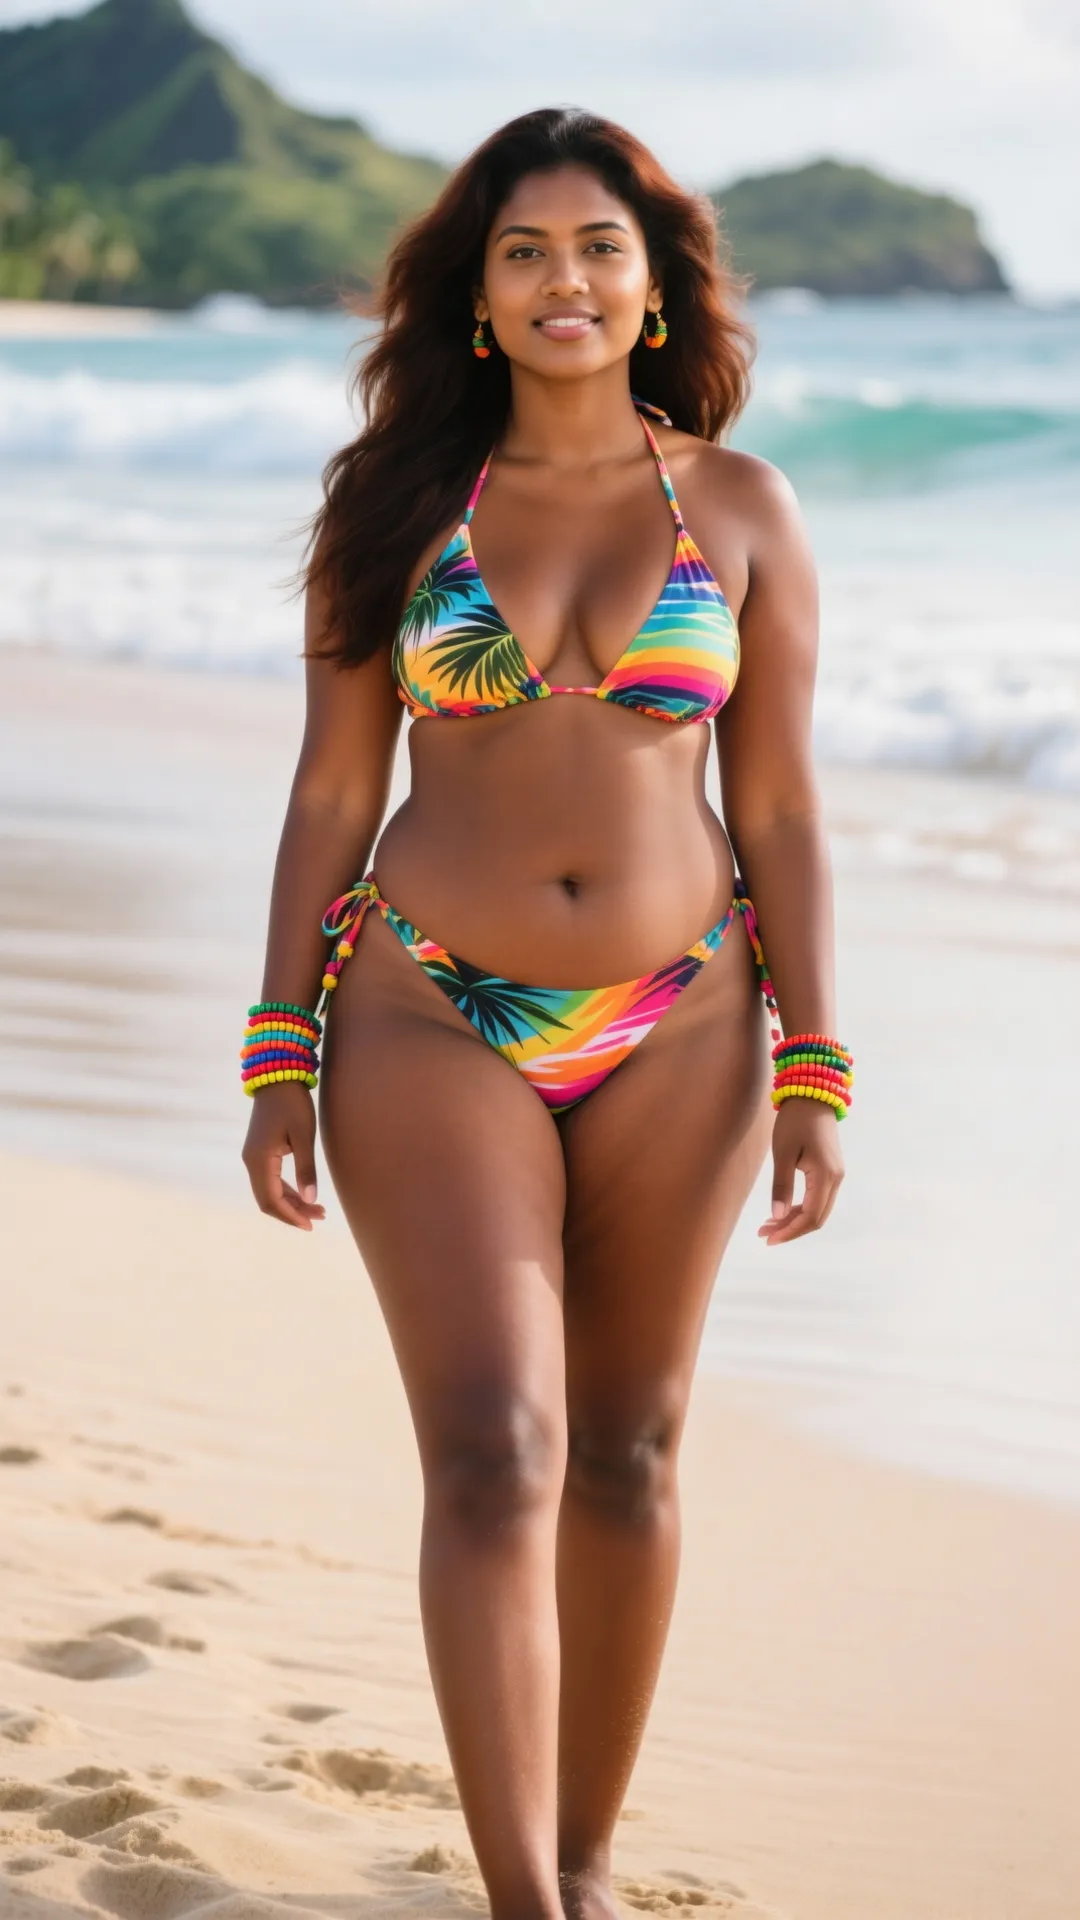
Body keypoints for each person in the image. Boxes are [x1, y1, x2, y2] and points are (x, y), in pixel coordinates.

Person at [242, 107, 850, 1920]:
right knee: (499, 1445)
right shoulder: (399, 503)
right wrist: (281, 1044)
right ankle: (521, 1902)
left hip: (688, 1020)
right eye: (524, 253)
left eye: (599, 248)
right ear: (479, 299)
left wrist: (816, 1065)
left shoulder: (739, 509)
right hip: (432, 1004)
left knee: (636, 1447)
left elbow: (790, 807)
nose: (563, 281)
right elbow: (334, 792)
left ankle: (583, 1864)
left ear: (653, 289)